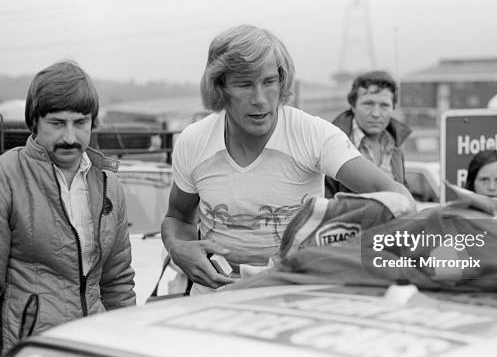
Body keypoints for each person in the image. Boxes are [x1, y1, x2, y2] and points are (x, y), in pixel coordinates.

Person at [161, 25, 415, 291]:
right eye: (244, 85)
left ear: (282, 82)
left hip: (295, 301)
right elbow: (178, 217)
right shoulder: (193, 141)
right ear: (220, 87)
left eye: (269, 82)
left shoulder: (314, 134)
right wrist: (179, 247)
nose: (260, 99)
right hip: (214, 304)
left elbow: (397, 198)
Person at [0, 61, 136, 355]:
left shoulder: (109, 184)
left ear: (93, 123)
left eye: (81, 122)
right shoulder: (7, 175)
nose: (70, 137)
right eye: (57, 123)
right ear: (33, 122)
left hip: (92, 349)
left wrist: (127, 349)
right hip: (30, 356)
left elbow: (118, 280)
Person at [325, 70, 412, 197]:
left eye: (384, 105)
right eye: (368, 104)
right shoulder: (332, 144)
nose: (376, 113)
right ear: (353, 106)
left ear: (393, 107)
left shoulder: (395, 146)